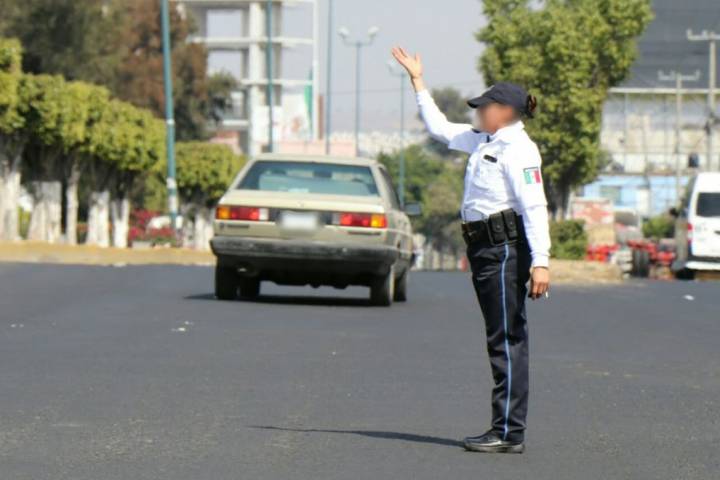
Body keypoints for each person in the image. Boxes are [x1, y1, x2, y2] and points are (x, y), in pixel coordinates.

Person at [392, 47, 550, 454]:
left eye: (484, 106)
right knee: (499, 337)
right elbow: (440, 129)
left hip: (504, 250)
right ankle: (505, 427)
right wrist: (418, 82)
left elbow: (534, 207)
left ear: (505, 112)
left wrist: (541, 263)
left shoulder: (519, 150)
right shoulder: (484, 139)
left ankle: (508, 432)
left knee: (507, 339)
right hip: (484, 250)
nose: (478, 112)